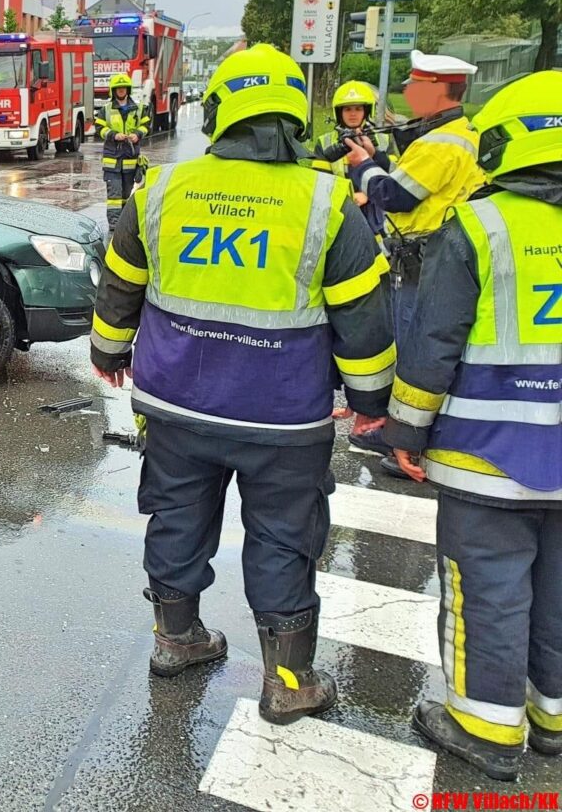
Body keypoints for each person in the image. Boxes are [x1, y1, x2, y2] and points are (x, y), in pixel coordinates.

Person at [90, 44, 393, 726]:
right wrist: (373, 405)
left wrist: (108, 350)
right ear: (294, 117)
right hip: (282, 417)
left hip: (175, 406)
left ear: (222, 112)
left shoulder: (163, 189)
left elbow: (121, 281)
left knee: (176, 517)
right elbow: (364, 317)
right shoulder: (326, 201)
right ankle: (288, 680)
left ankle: (176, 641)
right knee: (284, 537)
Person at [376, 71, 562, 782]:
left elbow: (434, 344)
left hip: (488, 458)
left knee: (486, 590)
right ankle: (550, 718)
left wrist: (406, 433)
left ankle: (485, 728)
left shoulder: (483, 225)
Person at [345, 52, 486, 472]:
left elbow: (397, 197)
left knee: (413, 350)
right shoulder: (459, 133)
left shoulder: (439, 143)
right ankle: (401, 431)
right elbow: (415, 184)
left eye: (415, 85)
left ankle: (402, 441)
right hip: (434, 254)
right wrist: (382, 162)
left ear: (436, 91)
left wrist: (364, 166)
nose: (407, 91)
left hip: (423, 258)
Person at [97, 73, 151, 231]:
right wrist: (114, 135)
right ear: (113, 91)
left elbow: (146, 126)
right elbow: (100, 129)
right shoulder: (105, 110)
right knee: (114, 195)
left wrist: (138, 134)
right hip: (112, 161)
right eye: (118, 88)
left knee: (126, 195)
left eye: (123, 88)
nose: (121, 91)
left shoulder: (139, 109)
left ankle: (124, 223)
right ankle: (114, 225)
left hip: (130, 160)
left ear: (128, 89)